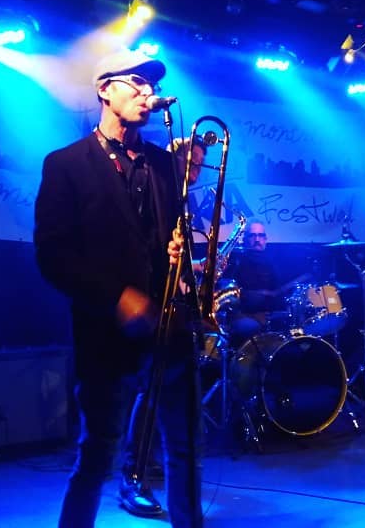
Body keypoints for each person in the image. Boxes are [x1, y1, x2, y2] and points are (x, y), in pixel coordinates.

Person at [34, 49, 202, 528]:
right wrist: (116, 297)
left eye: (153, 86)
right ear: (105, 89)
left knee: (185, 449)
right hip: (105, 332)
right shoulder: (66, 164)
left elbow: (170, 239)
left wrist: (179, 257)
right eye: (137, 83)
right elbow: (52, 255)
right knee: (98, 453)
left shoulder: (164, 165)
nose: (149, 93)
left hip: (169, 326)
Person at [116, 135, 208, 519]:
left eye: (200, 165)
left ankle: (169, 494)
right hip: (141, 307)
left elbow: (175, 261)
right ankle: (132, 477)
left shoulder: (186, 203)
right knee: (148, 393)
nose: (196, 171)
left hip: (173, 310)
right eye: (191, 162)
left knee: (168, 404)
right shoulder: (152, 188)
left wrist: (194, 272)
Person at [222, 220, 308, 340]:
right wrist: (255, 300)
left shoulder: (274, 261)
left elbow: (282, 291)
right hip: (244, 315)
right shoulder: (235, 260)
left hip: (271, 314)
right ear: (245, 240)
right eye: (252, 236)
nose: (257, 239)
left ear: (265, 239)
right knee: (249, 327)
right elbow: (228, 293)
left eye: (260, 235)